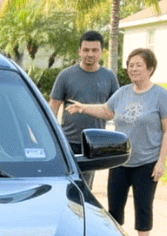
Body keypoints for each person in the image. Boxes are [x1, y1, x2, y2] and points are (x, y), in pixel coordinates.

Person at [66, 47, 167, 236]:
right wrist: (84, 107)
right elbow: (107, 111)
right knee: (114, 207)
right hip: (120, 160)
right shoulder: (123, 92)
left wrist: (161, 161)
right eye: (130, 65)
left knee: (143, 207)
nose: (133, 69)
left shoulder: (160, 95)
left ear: (150, 69)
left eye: (138, 65)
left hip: (146, 162)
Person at [48, 31, 120, 188]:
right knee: (65, 185)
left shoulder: (109, 77)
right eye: (86, 50)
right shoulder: (65, 76)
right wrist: (51, 138)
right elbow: (52, 108)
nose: (90, 54)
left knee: (85, 189)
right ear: (79, 50)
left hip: (94, 143)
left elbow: (114, 110)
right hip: (68, 141)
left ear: (101, 51)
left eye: (95, 50)